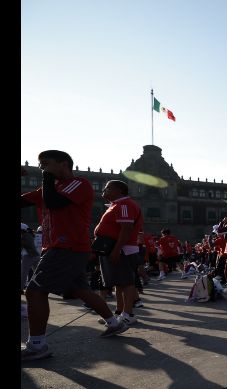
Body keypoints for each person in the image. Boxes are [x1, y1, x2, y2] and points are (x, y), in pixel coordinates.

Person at [21, 150, 128, 361]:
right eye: (40, 165)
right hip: (62, 248)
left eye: (46, 163)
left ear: (63, 164)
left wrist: (47, 177)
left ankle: (37, 345)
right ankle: (115, 323)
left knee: (34, 291)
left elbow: (53, 202)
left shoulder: (79, 184)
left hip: (66, 247)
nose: (42, 168)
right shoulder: (49, 188)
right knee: (80, 290)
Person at [93, 180, 144, 333]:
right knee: (119, 283)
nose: (104, 190)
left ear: (118, 190)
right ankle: (119, 312)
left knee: (127, 282)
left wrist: (116, 250)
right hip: (116, 248)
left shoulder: (124, 205)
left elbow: (126, 229)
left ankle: (128, 314)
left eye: (108, 188)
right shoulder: (116, 205)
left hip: (122, 249)